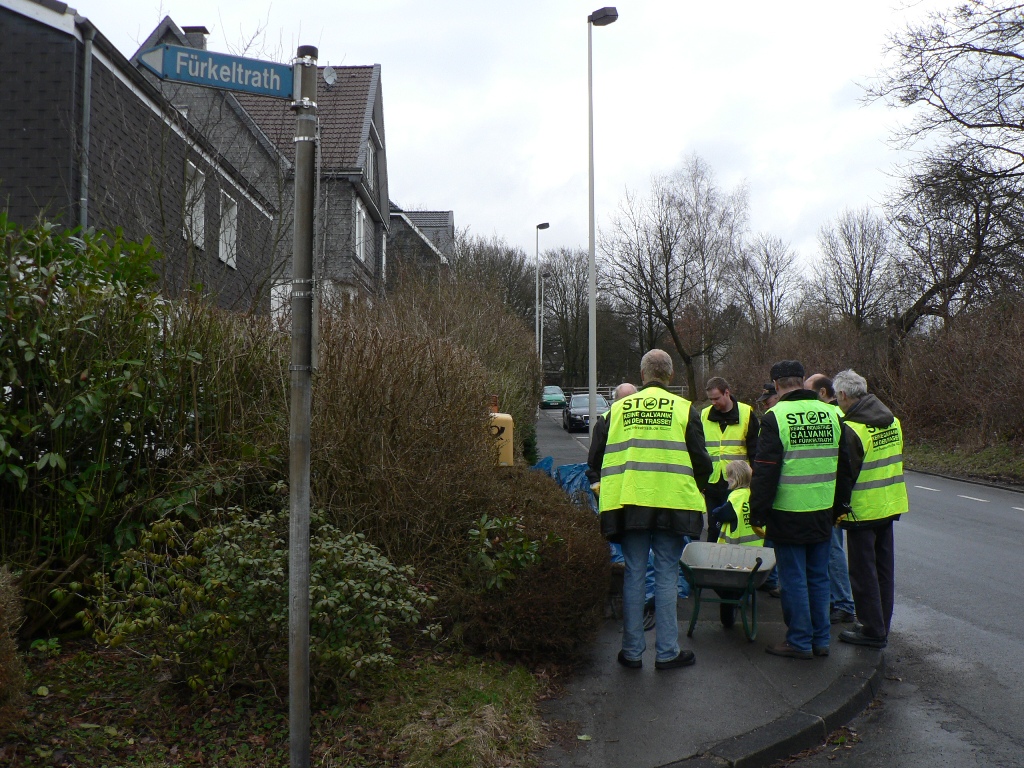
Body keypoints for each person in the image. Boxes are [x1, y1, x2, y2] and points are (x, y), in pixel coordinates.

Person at [590, 349, 712, 669]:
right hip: (673, 505)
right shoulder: (685, 409)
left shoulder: (616, 410)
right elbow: (702, 463)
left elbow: (594, 460)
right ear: (670, 376)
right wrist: (696, 485)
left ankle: (631, 652)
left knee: (634, 574)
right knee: (667, 575)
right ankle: (667, 652)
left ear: (642, 375)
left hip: (629, 504)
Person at [749, 360, 852, 660]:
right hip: (822, 510)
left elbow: (765, 471)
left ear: (777, 385)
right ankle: (820, 640)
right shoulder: (833, 414)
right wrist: (841, 506)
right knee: (819, 577)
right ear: (804, 380)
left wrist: (757, 513)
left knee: (793, 578)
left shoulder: (774, 417)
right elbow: (845, 466)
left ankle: (799, 641)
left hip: (787, 511)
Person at [833, 369, 909, 650]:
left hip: (862, 510)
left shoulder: (852, 428)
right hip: (889, 504)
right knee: (884, 570)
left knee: (863, 574)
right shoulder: (893, 421)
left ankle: (871, 629)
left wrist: (836, 511)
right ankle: (881, 625)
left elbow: (845, 475)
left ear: (842, 395)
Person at [805, 373, 857, 625]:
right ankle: (837, 601)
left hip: (829, 496)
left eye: (809, 391)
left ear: (823, 393)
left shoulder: (833, 417)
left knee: (833, 550)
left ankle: (844, 603)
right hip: (827, 495)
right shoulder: (835, 416)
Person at [701, 377, 759, 545]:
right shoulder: (705, 415)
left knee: (735, 525)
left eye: (717, 398)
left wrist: (753, 481)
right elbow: (699, 448)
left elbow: (755, 450)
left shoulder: (746, 413)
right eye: (710, 399)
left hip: (738, 484)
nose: (713, 403)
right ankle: (712, 564)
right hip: (712, 482)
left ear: (727, 393)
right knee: (713, 526)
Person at [709, 460, 764, 628]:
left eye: (728, 476)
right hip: (756, 553)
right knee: (744, 581)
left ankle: (732, 602)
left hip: (734, 553)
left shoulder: (736, 496)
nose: (726, 480)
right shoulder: (754, 494)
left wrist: (714, 513)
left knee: (722, 583)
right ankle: (741, 597)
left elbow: (722, 513)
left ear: (734, 478)